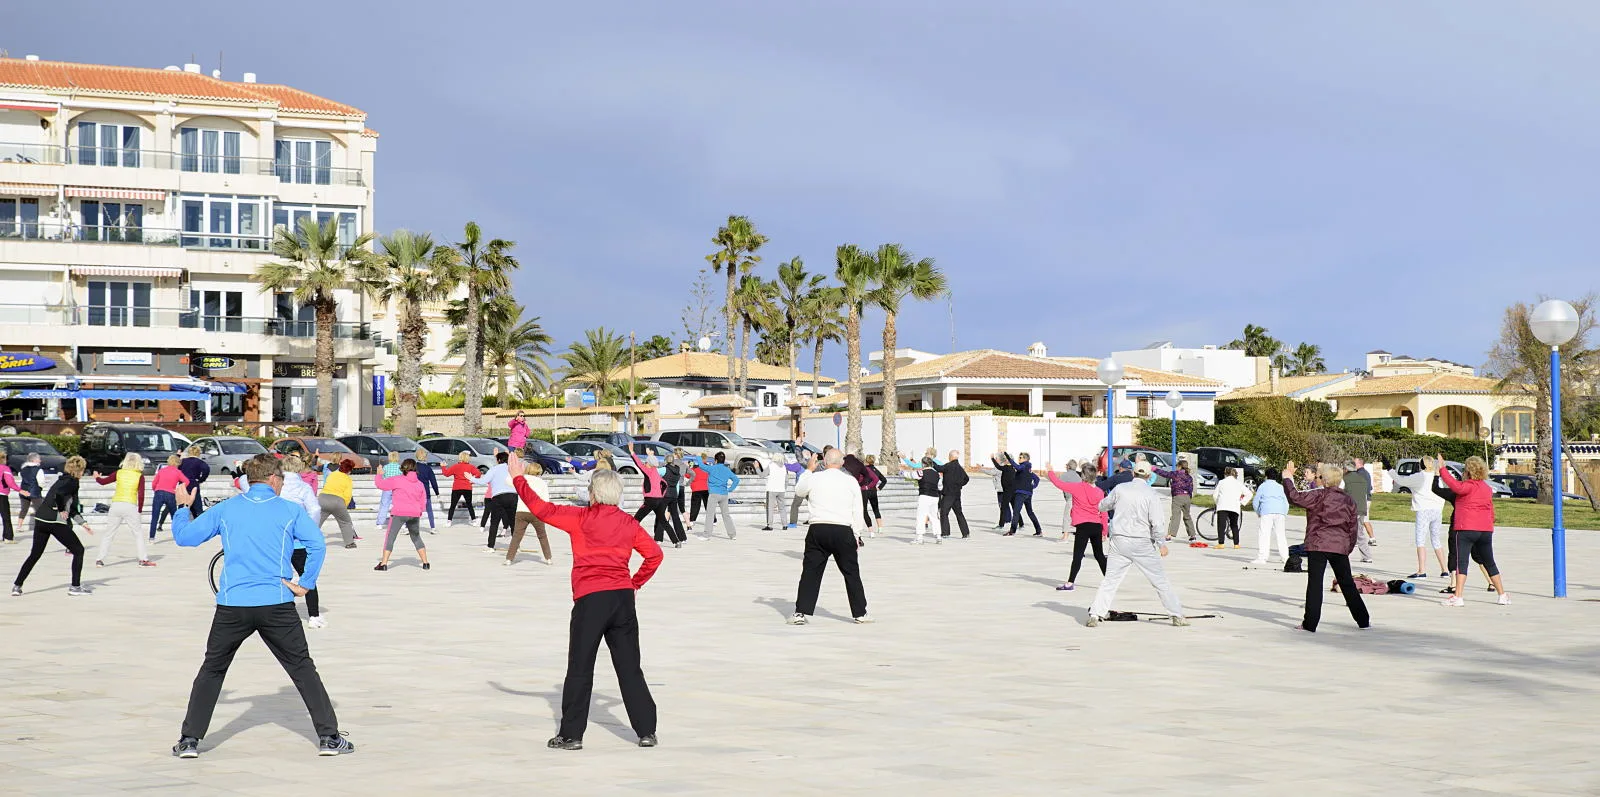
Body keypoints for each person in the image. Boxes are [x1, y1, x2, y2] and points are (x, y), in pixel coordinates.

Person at [168, 454, 352, 759]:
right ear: (274, 479)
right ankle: (329, 738)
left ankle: (189, 740)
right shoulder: (289, 510)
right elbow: (317, 545)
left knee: (212, 669)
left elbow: (185, 538)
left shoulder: (227, 508)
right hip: (276, 603)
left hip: (233, 605)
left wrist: (182, 508)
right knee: (302, 668)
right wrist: (305, 584)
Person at [509, 458, 662, 750]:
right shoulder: (629, 523)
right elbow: (655, 554)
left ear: (593, 494)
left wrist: (519, 479)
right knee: (630, 668)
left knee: (580, 667)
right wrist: (635, 583)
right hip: (622, 599)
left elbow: (541, 509)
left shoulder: (581, 517)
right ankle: (646, 731)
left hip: (591, 599)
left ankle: (571, 735)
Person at [1086, 461, 1187, 626]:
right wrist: (1161, 543)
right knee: (1159, 580)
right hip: (1142, 542)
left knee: (1110, 581)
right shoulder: (1151, 494)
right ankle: (1177, 615)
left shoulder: (1121, 489)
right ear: (1148, 476)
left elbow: (1103, 506)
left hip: (1119, 540)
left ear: (1133, 474)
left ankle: (1095, 614)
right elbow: (1157, 522)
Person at [1281, 460, 1370, 632]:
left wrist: (1287, 478)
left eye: (1320, 477)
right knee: (1347, 583)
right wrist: (1348, 547)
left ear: (1325, 481)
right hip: (1339, 546)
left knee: (1315, 584)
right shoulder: (1348, 500)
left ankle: (1310, 624)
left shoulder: (1318, 495)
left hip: (1318, 544)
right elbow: (1353, 528)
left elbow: (1294, 497)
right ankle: (1363, 620)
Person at [786, 449, 871, 625]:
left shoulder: (815, 478)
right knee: (851, 572)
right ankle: (860, 613)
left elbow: (799, 490)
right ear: (842, 463)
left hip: (818, 528)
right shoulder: (850, 481)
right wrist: (857, 534)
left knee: (811, 572)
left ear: (824, 462)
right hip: (843, 529)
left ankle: (800, 612)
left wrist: (808, 469)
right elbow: (858, 509)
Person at [11, 456, 93, 596]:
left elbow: (71, 506)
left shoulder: (61, 480)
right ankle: (75, 587)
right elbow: (60, 496)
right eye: (83, 470)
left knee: (35, 554)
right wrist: (61, 509)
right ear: (79, 470)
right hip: (54, 522)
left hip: (41, 519)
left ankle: (17, 586)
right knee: (78, 550)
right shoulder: (73, 482)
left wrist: (82, 522)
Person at [1437, 455, 1508, 606]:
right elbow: (1491, 509)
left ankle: (1458, 597)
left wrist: (1442, 469)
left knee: (1462, 563)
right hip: (1485, 531)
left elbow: (1454, 485)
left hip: (1465, 529)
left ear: (1468, 472)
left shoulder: (1467, 486)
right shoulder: (1487, 488)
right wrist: (1490, 523)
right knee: (1489, 562)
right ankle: (1502, 595)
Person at [278, 457, 326, 628]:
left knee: (280, 575)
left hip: (278, 539)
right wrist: (310, 529)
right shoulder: (303, 487)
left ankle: (281, 611)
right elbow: (315, 509)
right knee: (307, 576)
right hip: (298, 541)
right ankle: (314, 615)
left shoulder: (276, 486)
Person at [1046, 463, 1108, 591]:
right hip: (1096, 525)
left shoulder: (1077, 487)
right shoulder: (1099, 492)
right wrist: (1104, 531)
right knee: (1099, 555)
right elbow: (1103, 512)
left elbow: (1058, 484)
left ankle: (1070, 583)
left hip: (1083, 526)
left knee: (1078, 555)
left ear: (1083, 476)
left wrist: (1050, 471)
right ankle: (1110, 581)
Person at [93, 453, 156, 568]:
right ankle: (143, 559)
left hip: (116, 504)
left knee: (109, 533)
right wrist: (140, 509)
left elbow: (103, 482)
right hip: (130, 505)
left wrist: (97, 477)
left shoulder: (119, 473)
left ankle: (99, 559)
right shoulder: (139, 476)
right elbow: (141, 495)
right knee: (137, 534)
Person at [1393, 458, 1449, 579]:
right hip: (1437, 510)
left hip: (1423, 510)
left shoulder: (1419, 476)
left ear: (1421, 465)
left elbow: (1400, 480)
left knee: (1420, 540)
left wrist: (1389, 470)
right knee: (1436, 540)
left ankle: (1422, 570)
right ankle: (1445, 570)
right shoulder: (1436, 477)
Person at [374, 459, 431, 572]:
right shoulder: (419, 483)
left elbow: (380, 485)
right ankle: (425, 563)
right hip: (414, 513)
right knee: (416, 537)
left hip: (399, 513)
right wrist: (420, 511)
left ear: (403, 468)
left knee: (390, 537)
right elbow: (423, 500)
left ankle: (384, 563)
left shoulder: (397, 480)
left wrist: (379, 474)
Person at [506, 461, 554, 565]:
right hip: (537, 512)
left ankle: (509, 559)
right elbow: (546, 500)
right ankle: (548, 558)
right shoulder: (542, 483)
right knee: (542, 536)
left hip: (522, 511)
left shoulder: (522, 479)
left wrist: (514, 472)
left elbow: (508, 481)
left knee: (517, 536)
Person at [632, 452, 681, 546]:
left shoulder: (649, 471)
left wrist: (632, 453)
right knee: (664, 521)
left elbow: (639, 464)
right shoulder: (656, 473)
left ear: (649, 464)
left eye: (646, 463)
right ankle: (676, 541)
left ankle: (628, 539)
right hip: (659, 500)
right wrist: (661, 495)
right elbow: (664, 484)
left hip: (650, 500)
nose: (645, 464)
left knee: (635, 520)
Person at [472, 451, 517, 551]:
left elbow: (483, 481)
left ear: (499, 460)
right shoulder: (512, 468)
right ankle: (516, 546)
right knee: (513, 522)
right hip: (513, 496)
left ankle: (491, 546)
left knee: (494, 522)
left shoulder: (494, 469)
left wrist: (470, 478)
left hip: (498, 497)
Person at [1250, 468, 1290, 564]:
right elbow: (1286, 502)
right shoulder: (1280, 487)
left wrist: (1258, 512)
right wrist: (1284, 513)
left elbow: (1256, 501)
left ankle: (1262, 557)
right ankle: (1285, 557)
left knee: (1264, 534)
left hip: (1267, 511)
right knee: (1281, 535)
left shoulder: (1263, 486)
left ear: (1266, 476)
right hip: (1280, 512)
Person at [1152, 459, 1197, 542]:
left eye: (1177, 466)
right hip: (1187, 497)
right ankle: (1192, 536)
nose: (1176, 467)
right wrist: (1189, 497)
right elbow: (1191, 488)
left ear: (1179, 466)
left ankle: (1169, 536)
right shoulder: (1189, 477)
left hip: (1178, 497)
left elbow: (1165, 474)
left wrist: (1154, 469)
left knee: (1175, 516)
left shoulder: (1176, 474)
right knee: (1187, 516)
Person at [317, 460, 358, 548]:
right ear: (349, 470)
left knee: (317, 521)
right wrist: (344, 507)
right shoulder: (347, 479)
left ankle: (308, 541)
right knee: (345, 522)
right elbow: (347, 495)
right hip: (337, 501)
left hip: (322, 498)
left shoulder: (332, 475)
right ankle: (349, 543)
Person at [699, 452, 740, 540]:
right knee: (726, 515)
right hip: (724, 494)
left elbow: (701, 466)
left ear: (716, 460)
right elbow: (736, 480)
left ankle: (707, 535)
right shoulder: (727, 470)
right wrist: (730, 489)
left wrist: (698, 457)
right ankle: (732, 535)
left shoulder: (712, 468)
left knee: (710, 515)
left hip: (714, 494)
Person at [149, 453, 190, 540]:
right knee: (174, 516)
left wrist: (155, 490)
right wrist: (179, 489)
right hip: (170, 493)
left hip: (159, 492)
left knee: (155, 516)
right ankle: (177, 535)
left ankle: (151, 537)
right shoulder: (178, 472)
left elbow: (154, 483)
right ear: (177, 463)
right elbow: (187, 481)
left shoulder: (162, 470)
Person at [1343, 459, 1375, 563]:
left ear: (1346, 469)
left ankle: (1342, 555)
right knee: (1360, 533)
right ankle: (1367, 556)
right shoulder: (1362, 478)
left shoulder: (1345, 479)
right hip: (1361, 508)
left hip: (1350, 509)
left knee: (1345, 532)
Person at [1212, 468, 1251, 550]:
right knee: (1234, 525)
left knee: (1221, 525)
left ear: (1225, 474)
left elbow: (1215, 495)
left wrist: (1217, 503)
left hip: (1222, 506)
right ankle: (1236, 544)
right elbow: (1249, 494)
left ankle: (1221, 543)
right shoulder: (1239, 483)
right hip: (1234, 506)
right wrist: (1242, 502)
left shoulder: (1221, 482)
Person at [938, 450, 971, 539]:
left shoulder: (948, 466)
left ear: (951, 457)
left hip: (948, 494)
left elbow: (939, 468)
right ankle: (966, 533)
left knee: (944, 512)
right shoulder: (960, 468)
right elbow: (966, 479)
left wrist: (931, 462)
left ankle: (945, 533)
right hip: (957, 494)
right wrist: (959, 485)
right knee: (959, 513)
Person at [1007, 452, 1042, 536]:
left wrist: (1009, 459)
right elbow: (1037, 479)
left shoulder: (1024, 466)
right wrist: (1032, 487)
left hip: (1021, 493)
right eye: (1019, 457)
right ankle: (1039, 530)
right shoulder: (1029, 469)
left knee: (1016, 512)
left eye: (1020, 457)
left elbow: (1018, 467)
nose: (1019, 459)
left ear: (1025, 459)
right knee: (1030, 512)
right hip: (1028, 493)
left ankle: (1012, 531)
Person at [441, 451, 481, 524]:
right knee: (469, 505)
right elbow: (478, 474)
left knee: (453, 505)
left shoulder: (455, 466)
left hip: (457, 487)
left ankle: (449, 521)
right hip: (467, 487)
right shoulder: (471, 466)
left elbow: (446, 474)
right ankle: (474, 520)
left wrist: (443, 467)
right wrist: (472, 480)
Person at [913, 456, 942, 544]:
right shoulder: (937, 474)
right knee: (934, 517)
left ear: (923, 464)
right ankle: (938, 537)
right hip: (935, 497)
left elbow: (911, 475)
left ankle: (920, 538)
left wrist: (902, 472)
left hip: (924, 496)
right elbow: (940, 487)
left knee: (921, 516)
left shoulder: (921, 472)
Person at [178, 445, 212, 516]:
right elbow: (206, 470)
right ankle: (198, 521)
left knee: (182, 507)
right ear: (198, 453)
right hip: (194, 484)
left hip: (183, 485)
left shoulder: (183, 461)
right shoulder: (200, 462)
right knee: (198, 509)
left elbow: (176, 469)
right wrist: (201, 480)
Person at [857, 454, 884, 535]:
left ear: (866, 460)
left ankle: (871, 530)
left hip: (864, 491)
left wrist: (866, 487)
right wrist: (879, 488)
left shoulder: (863, 469)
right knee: (876, 509)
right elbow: (884, 480)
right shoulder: (875, 470)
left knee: (864, 510)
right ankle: (880, 528)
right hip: (873, 491)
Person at [375, 451, 401, 534]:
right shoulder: (400, 467)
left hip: (387, 488)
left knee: (384, 505)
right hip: (397, 488)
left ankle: (380, 523)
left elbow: (382, 476)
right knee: (398, 505)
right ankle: (399, 522)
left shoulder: (386, 467)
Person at [414, 448, 440, 531]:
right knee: (429, 510)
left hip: (415, 492)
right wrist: (437, 492)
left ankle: (409, 527)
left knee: (413, 510)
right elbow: (433, 482)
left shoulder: (414, 467)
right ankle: (433, 527)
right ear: (425, 457)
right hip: (425, 492)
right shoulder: (428, 468)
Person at [762, 451, 787, 532]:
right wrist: (784, 488)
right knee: (782, 508)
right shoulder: (784, 467)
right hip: (781, 490)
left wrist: (757, 468)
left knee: (770, 508)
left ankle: (769, 525)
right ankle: (785, 525)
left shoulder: (771, 465)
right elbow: (786, 480)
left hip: (771, 489)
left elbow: (762, 475)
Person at [15, 452, 44, 525]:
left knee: (24, 509)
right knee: (40, 510)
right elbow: (41, 481)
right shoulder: (38, 470)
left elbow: (21, 477)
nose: (40, 461)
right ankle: (40, 524)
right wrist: (40, 488)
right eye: (39, 459)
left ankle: (19, 526)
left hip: (23, 491)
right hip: (34, 492)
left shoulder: (23, 469)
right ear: (34, 460)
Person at [990, 453, 1016, 529]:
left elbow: (998, 466)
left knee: (1003, 507)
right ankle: (1021, 523)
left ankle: (1001, 525)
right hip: (1012, 491)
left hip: (1007, 491)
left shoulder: (1006, 468)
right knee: (1014, 508)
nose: (1004, 460)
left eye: (1005, 459)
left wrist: (992, 458)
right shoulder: (1013, 468)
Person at [686, 457, 710, 523]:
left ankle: (692, 520)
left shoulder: (695, 469)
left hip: (696, 489)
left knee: (695, 505)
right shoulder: (708, 468)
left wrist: (690, 467)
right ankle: (713, 520)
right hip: (706, 488)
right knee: (708, 505)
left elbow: (687, 475)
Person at [0, 458, 17, 543]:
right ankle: (8, 537)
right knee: (6, 516)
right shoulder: (5, 468)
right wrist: (19, 489)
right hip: (2, 494)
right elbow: (10, 481)